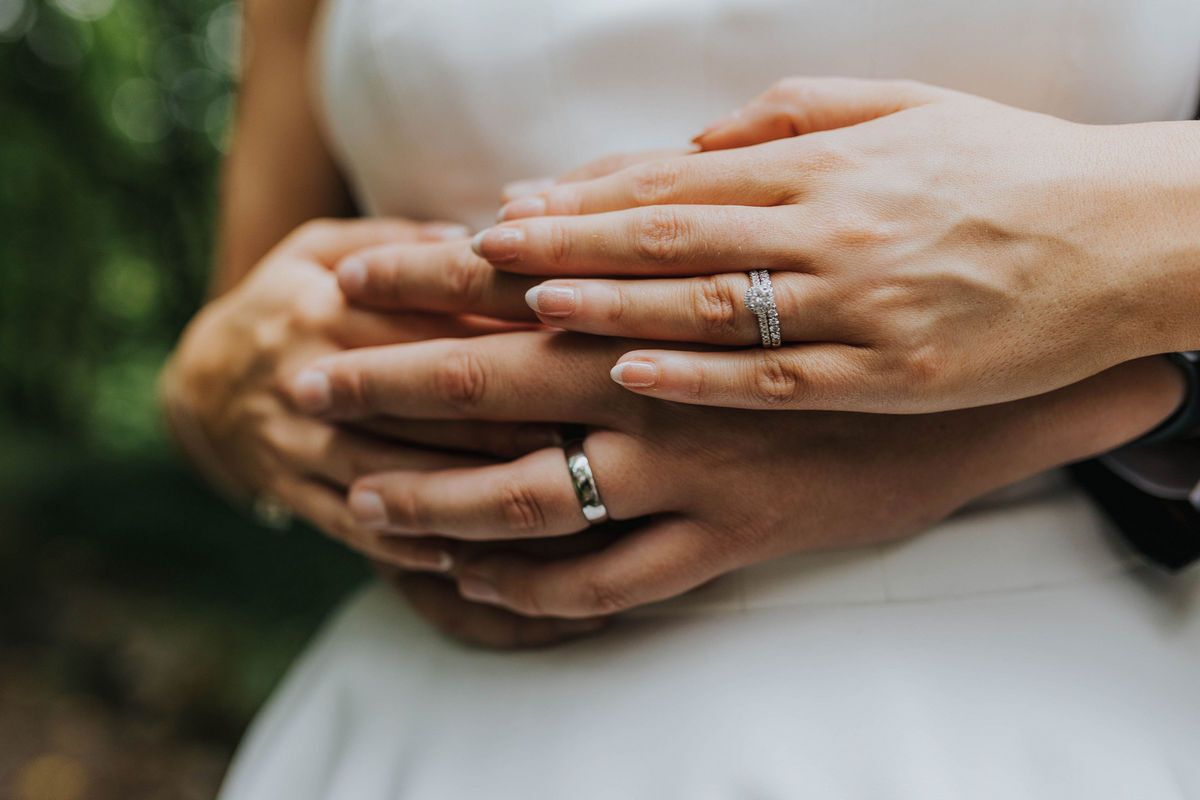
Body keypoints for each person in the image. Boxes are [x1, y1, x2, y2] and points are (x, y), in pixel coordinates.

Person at [159, 0, 1200, 796]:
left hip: (1022, 696)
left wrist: (1040, 388)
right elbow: (232, 322)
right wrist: (230, 379)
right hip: (427, 710)